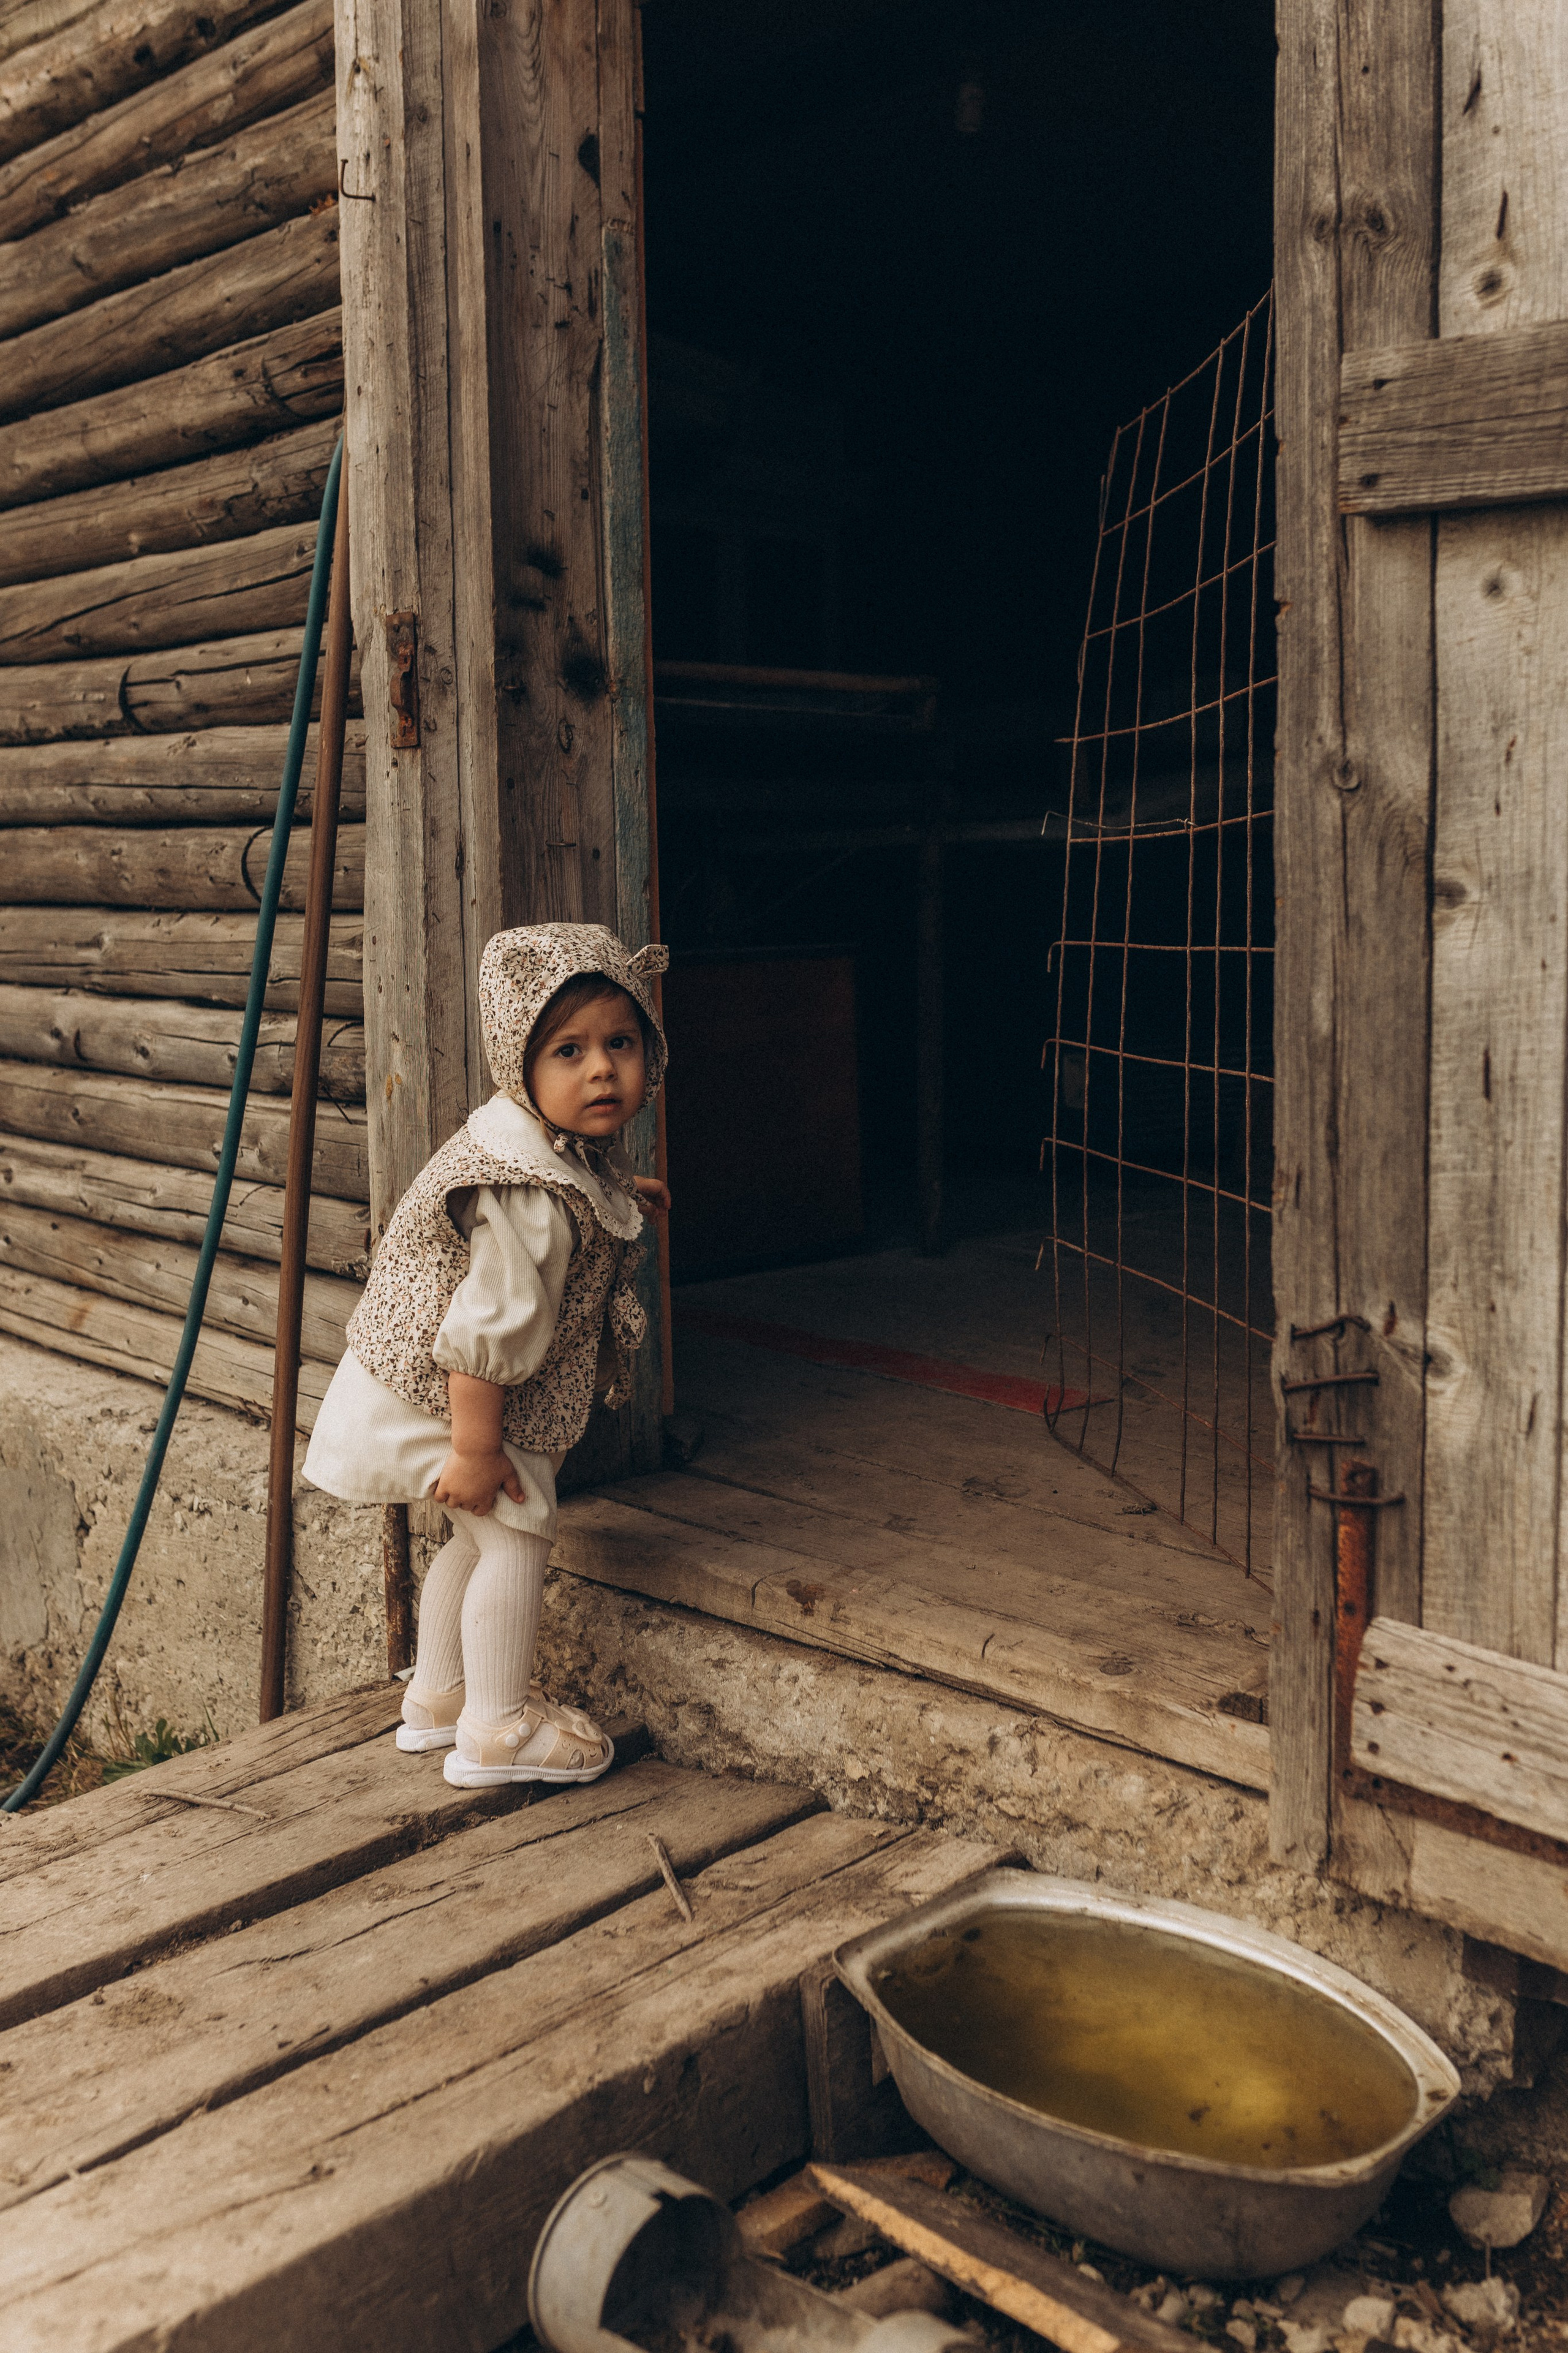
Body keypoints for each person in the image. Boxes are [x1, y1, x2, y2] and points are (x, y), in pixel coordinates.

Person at [303, 922, 670, 1789]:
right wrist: (477, 1448)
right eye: (569, 1049)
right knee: (512, 1536)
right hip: (453, 1399)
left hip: (414, 1385)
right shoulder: (531, 1198)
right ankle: (497, 1729)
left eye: (621, 1043)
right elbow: (485, 1331)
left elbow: (572, 1182)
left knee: (470, 1540)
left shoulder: (536, 1146)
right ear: (520, 1063)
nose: (601, 1070)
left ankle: (437, 1697)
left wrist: (617, 1190)